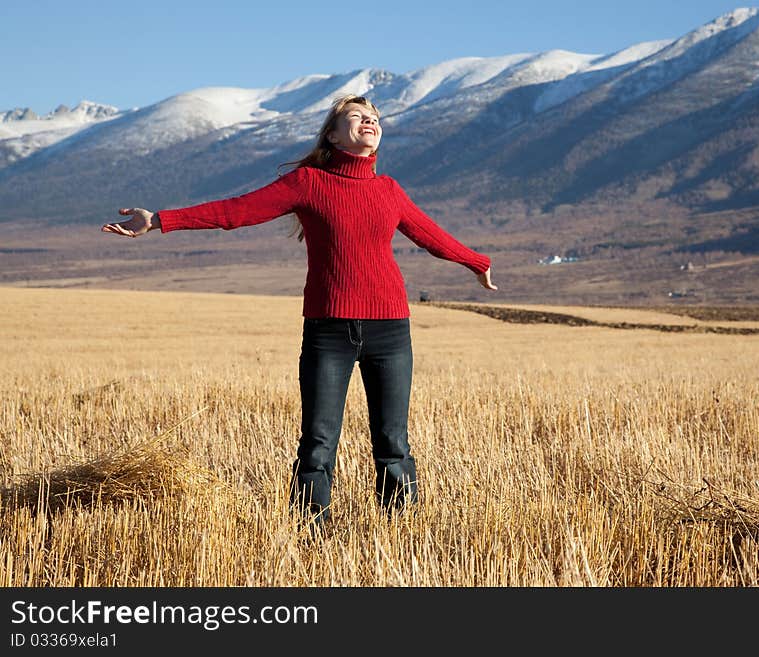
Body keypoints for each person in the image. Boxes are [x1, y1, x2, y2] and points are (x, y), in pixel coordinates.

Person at [101, 94, 498, 528]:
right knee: (318, 443)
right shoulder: (308, 183)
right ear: (331, 134)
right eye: (357, 116)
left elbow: (430, 234)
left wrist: (477, 262)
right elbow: (237, 211)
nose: (370, 120)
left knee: (393, 443)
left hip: (390, 329)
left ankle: (400, 532)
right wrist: (160, 219)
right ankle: (311, 537)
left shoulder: (388, 190)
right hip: (329, 329)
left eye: (375, 117)